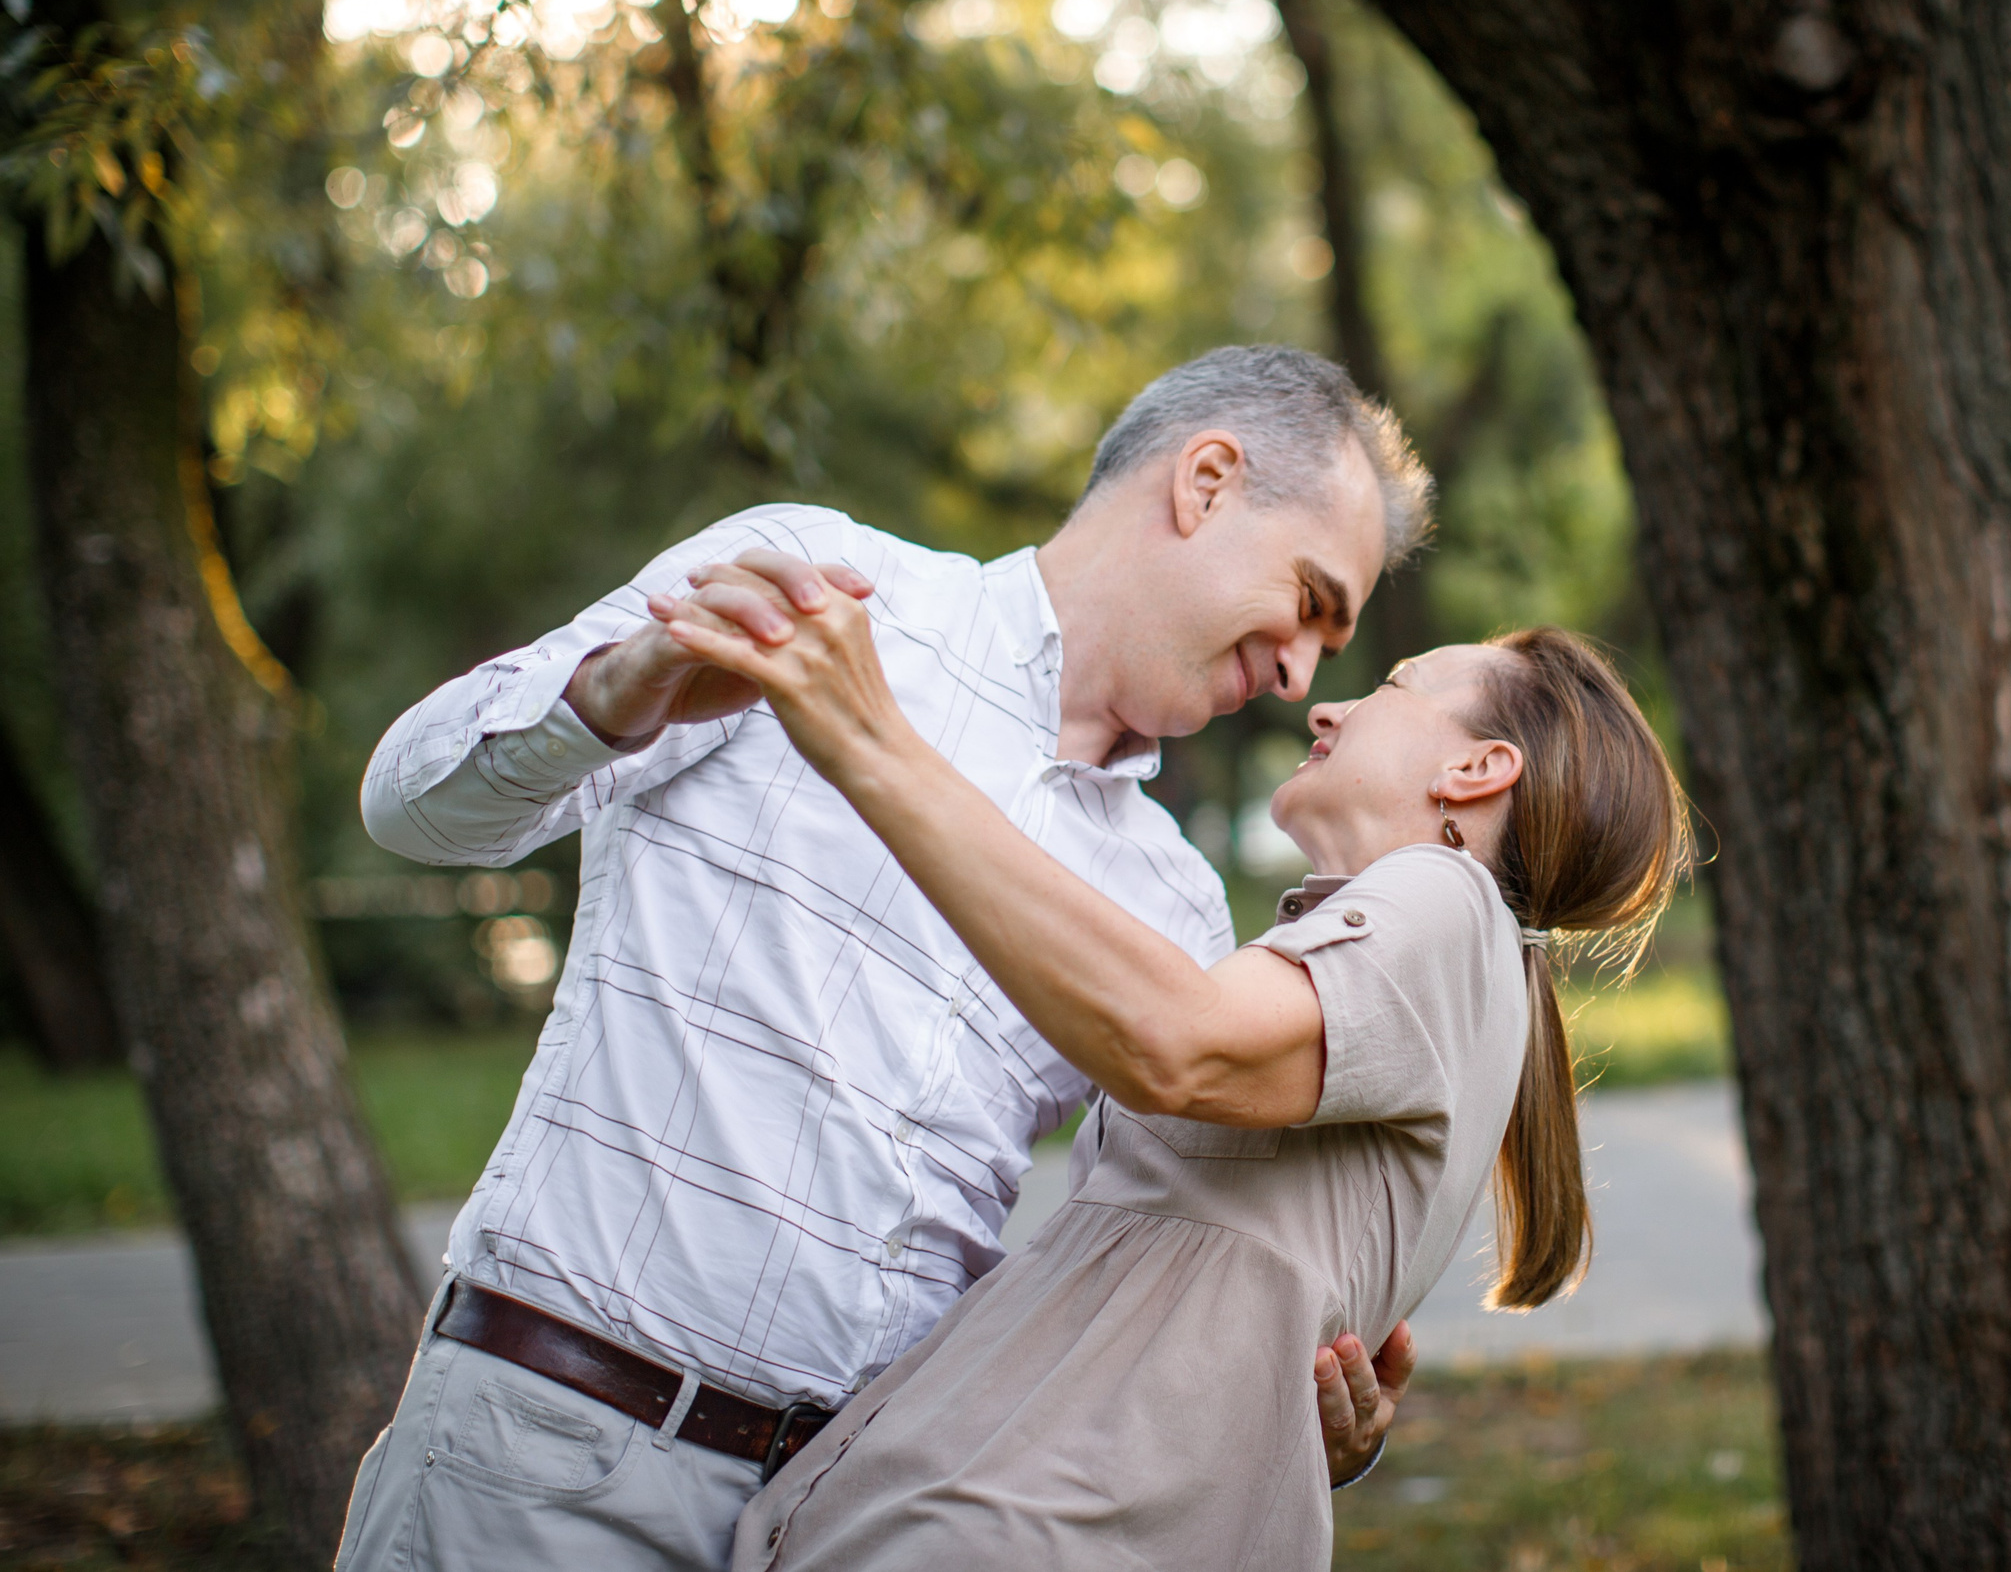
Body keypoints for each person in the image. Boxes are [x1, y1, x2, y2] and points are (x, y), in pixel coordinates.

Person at [337, 347, 1432, 1572]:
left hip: (855, 1521)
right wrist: (619, 689)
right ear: (1208, 480)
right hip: (546, 1460)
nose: (1300, 672)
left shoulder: (1173, 903)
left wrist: (1297, 1402)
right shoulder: (818, 592)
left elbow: (1149, 1270)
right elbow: (410, 804)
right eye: (1311, 601)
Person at [692, 597, 1690, 1570]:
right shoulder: (1440, 965)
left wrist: (869, 740)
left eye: (1390, 685)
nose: (1327, 706)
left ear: (1476, 768)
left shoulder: (1444, 900)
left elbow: (1174, 1040)